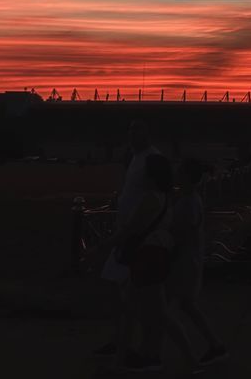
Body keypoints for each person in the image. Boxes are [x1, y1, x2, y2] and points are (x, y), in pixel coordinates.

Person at [110, 153, 198, 373]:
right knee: (152, 313)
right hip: (156, 258)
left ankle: (121, 363)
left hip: (146, 258)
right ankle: (185, 360)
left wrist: (101, 247)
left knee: (137, 313)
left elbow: (130, 230)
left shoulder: (150, 198)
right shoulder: (167, 197)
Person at [92, 121, 161, 358]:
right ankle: (121, 340)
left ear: (147, 134)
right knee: (117, 286)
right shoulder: (135, 157)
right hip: (127, 232)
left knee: (134, 295)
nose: (132, 135)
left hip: (137, 236)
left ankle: (131, 345)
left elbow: (154, 195)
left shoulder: (151, 159)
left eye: (137, 131)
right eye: (130, 131)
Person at [167, 159, 229, 366]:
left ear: (185, 177)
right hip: (187, 260)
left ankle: (154, 352)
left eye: (179, 172)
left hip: (183, 262)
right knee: (186, 305)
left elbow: (181, 233)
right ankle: (215, 344)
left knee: (165, 309)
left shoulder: (188, 202)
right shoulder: (190, 199)